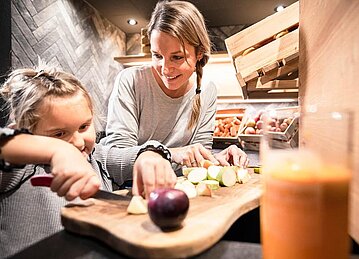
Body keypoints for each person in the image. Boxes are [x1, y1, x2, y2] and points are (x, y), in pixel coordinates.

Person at [0, 65, 175, 257]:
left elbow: (136, 154)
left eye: (84, 126)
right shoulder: (21, 166)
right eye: (59, 134)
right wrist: (58, 150)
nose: (78, 141)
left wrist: (150, 156)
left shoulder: (97, 156)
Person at [101, 0, 249, 170]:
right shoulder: (131, 80)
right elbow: (116, 162)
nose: (165, 69)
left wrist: (217, 159)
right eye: (157, 55)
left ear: (199, 53)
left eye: (177, 57)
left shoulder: (207, 91)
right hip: (131, 190)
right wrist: (171, 154)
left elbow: (197, 159)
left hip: (178, 189)